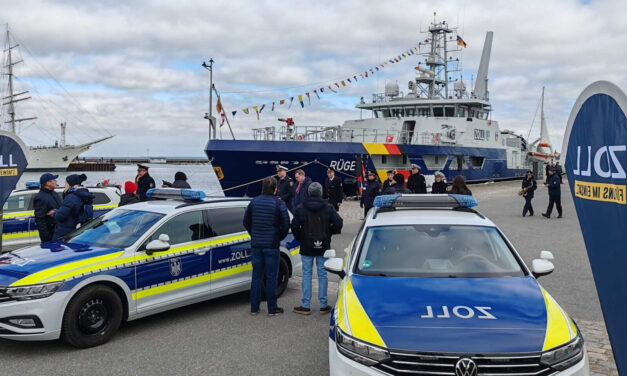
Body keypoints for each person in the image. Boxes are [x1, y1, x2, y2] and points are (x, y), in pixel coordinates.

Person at [291, 182, 343, 315]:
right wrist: (329, 232)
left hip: (306, 244)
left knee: (307, 274)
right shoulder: (328, 207)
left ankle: (305, 305)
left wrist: (300, 237)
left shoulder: (301, 208)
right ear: (321, 193)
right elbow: (338, 222)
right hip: (323, 244)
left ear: (308, 193)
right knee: (322, 274)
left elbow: (295, 226)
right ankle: (323, 305)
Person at [243, 177, 290, 317]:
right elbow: (286, 224)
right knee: (271, 277)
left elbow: (246, 221)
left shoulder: (254, 202)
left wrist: (254, 234)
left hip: (256, 245)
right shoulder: (279, 204)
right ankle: (272, 308)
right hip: (271, 245)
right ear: (275, 189)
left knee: (256, 276)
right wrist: (278, 236)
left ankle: (254, 307)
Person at [53, 174, 94, 240]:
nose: (64, 185)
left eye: (66, 183)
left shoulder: (71, 197)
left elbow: (60, 216)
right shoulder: (83, 195)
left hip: (66, 231)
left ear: (70, 184)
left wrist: (55, 212)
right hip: (78, 230)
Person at [33, 173, 62, 243]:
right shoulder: (40, 198)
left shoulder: (54, 193)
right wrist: (46, 237)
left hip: (59, 231)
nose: (56, 181)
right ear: (48, 183)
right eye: (54, 180)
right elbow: (40, 220)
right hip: (50, 234)